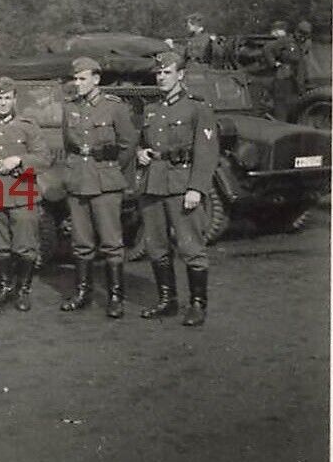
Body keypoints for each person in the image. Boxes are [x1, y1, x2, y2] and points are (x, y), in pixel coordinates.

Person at [136, 51, 219, 327]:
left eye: (167, 72)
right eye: (158, 73)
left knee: (191, 247)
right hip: (153, 184)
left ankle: (197, 304)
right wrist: (141, 153)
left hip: (181, 185)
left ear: (180, 75)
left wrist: (196, 188)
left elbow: (206, 152)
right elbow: (141, 141)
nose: (161, 77)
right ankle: (167, 301)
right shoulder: (151, 108)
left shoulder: (197, 107)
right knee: (157, 247)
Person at [60, 57, 138, 318]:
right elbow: (67, 143)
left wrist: (111, 167)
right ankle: (83, 292)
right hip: (78, 180)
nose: (77, 83)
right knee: (81, 242)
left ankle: (116, 297)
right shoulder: (69, 107)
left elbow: (128, 144)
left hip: (105, 182)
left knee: (111, 242)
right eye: (75, 79)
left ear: (96, 79)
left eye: (83, 78)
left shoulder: (114, 107)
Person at [0, 77, 49, 311]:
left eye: (7, 98)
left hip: (22, 190)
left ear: (14, 99)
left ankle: (23, 290)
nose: (2, 103)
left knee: (25, 245)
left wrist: (19, 159)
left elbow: (43, 158)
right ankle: (5, 287)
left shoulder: (28, 125)